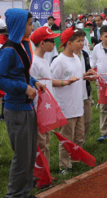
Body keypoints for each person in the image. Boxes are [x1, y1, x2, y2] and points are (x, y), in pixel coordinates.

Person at [0, 9, 46, 198]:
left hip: (28, 107)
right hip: (15, 108)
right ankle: (13, 195)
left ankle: (25, 192)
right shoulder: (8, 50)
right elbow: (1, 78)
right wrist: (23, 87)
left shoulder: (23, 45)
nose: (32, 27)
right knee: (21, 156)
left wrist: (33, 81)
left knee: (29, 155)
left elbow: (22, 73)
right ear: (19, 25)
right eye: (29, 24)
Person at [51, 27, 93, 174]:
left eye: (83, 40)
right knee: (66, 137)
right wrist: (66, 82)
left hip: (78, 104)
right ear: (69, 43)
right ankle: (64, 165)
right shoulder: (59, 61)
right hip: (66, 106)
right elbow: (50, 81)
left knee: (79, 135)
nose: (82, 43)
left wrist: (86, 75)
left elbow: (77, 75)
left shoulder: (76, 58)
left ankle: (75, 160)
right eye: (79, 41)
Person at [30, 26, 61, 166]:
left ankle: (45, 172)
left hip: (46, 107)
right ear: (42, 43)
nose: (54, 44)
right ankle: (39, 176)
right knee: (40, 142)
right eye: (51, 41)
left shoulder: (42, 59)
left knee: (45, 140)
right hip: (38, 108)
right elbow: (32, 86)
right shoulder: (34, 62)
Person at [91, 26, 107, 142]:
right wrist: (91, 72)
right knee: (104, 108)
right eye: (106, 36)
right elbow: (93, 62)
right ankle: (105, 133)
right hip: (101, 82)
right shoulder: (96, 48)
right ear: (100, 37)